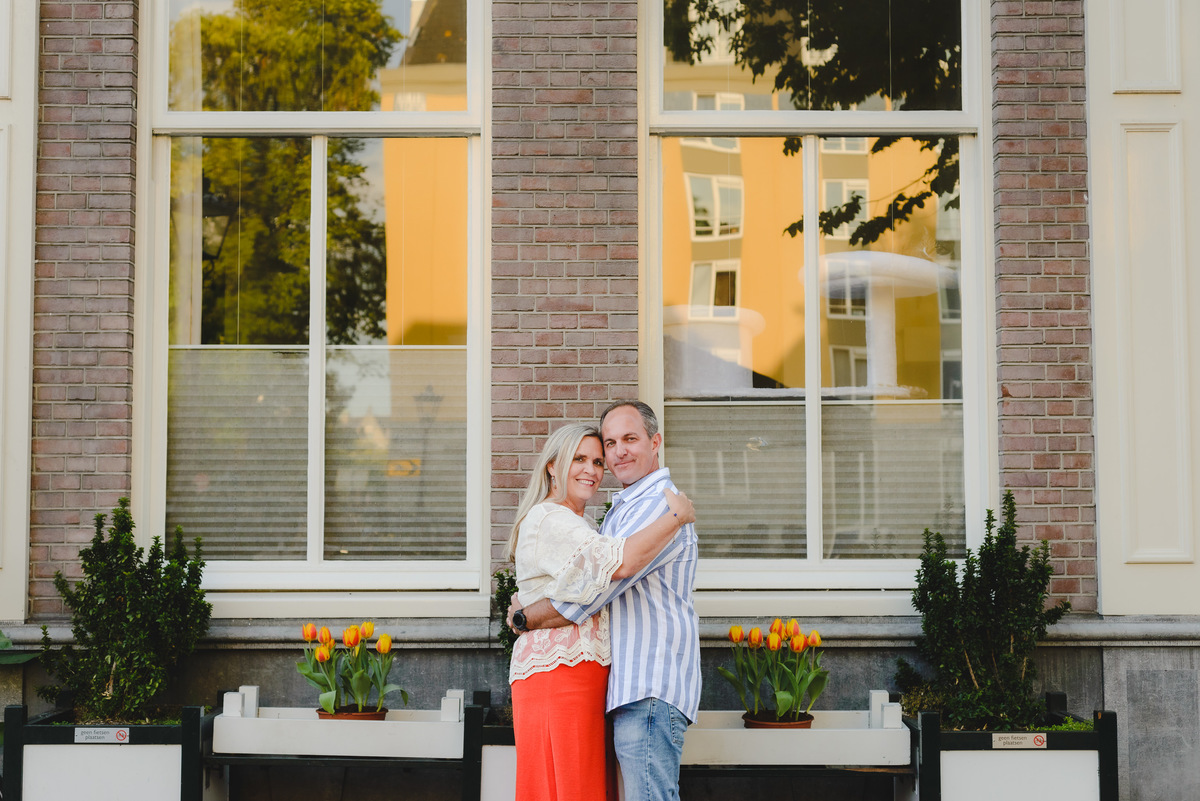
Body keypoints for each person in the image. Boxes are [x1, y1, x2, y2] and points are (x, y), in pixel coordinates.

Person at [509, 400, 700, 801]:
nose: (607, 460)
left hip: (646, 684)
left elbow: (600, 587)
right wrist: (526, 613)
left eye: (629, 439)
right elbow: (596, 580)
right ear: (552, 466)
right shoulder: (578, 517)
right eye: (607, 446)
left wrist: (525, 616)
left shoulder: (654, 505)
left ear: (655, 442)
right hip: (598, 680)